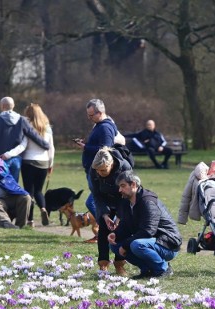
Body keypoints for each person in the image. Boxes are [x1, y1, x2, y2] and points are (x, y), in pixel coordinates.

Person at [107, 170, 182, 279]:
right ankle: (147, 269)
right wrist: (116, 234)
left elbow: (148, 231)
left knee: (136, 244)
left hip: (168, 244)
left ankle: (163, 269)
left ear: (133, 184)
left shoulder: (148, 202)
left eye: (123, 186)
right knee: (114, 244)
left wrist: (126, 244)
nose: (120, 190)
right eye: (119, 187)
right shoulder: (127, 202)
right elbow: (126, 224)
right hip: (151, 241)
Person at [73, 99, 119, 241]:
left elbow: (106, 149)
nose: (89, 118)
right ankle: (106, 231)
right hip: (93, 171)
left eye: (91, 115)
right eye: (88, 115)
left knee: (92, 202)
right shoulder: (99, 125)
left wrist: (86, 147)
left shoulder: (105, 127)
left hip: (100, 173)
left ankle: (111, 230)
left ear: (100, 112)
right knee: (96, 202)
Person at [2, 103, 55, 227]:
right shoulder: (47, 128)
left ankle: (30, 220)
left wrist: (8, 155)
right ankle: (43, 208)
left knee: (28, 192)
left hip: (28, 162)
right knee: (38, 191)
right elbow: (51, 148)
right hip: (43, 162)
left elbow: (22, 146)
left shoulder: (27, 126)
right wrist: (50, 164)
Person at [90, 147, 134, 275]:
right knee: (103, 229)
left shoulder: (124, 168)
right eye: (97, 170)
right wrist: (104, 215)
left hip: (123, 199)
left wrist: (119, 217)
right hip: (105, 200)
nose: (99, 173)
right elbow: (96, 194)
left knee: (122, 230)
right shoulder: (94, 170)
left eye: (103, 170)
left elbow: (128, 194)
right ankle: (103, 264)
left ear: (111, 164)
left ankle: (119, 264)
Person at [0, 96, 50, 183]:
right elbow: (33, 134)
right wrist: (45, 145)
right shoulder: (22, 120)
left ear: (2, 106)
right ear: (13, 106)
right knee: (13, 186)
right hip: (15, 159)